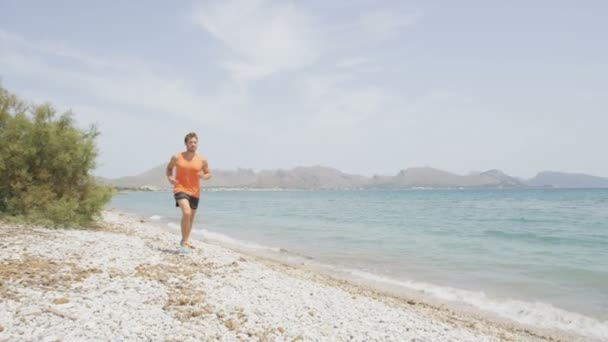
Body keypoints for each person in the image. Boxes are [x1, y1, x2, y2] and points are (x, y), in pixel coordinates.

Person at [166, 132, 211, 253]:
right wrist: (170, 178)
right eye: (190, 142)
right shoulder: (177, 157)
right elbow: (169, 168)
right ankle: (184, 242)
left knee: (190, 218)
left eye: (195, 142)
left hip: (195, 191)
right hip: (180, 188)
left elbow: (208, 174)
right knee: (186, 213)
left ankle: (184, 241)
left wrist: (203, 176)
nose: (193, 144)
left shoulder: (202, 160)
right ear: (186, 143)